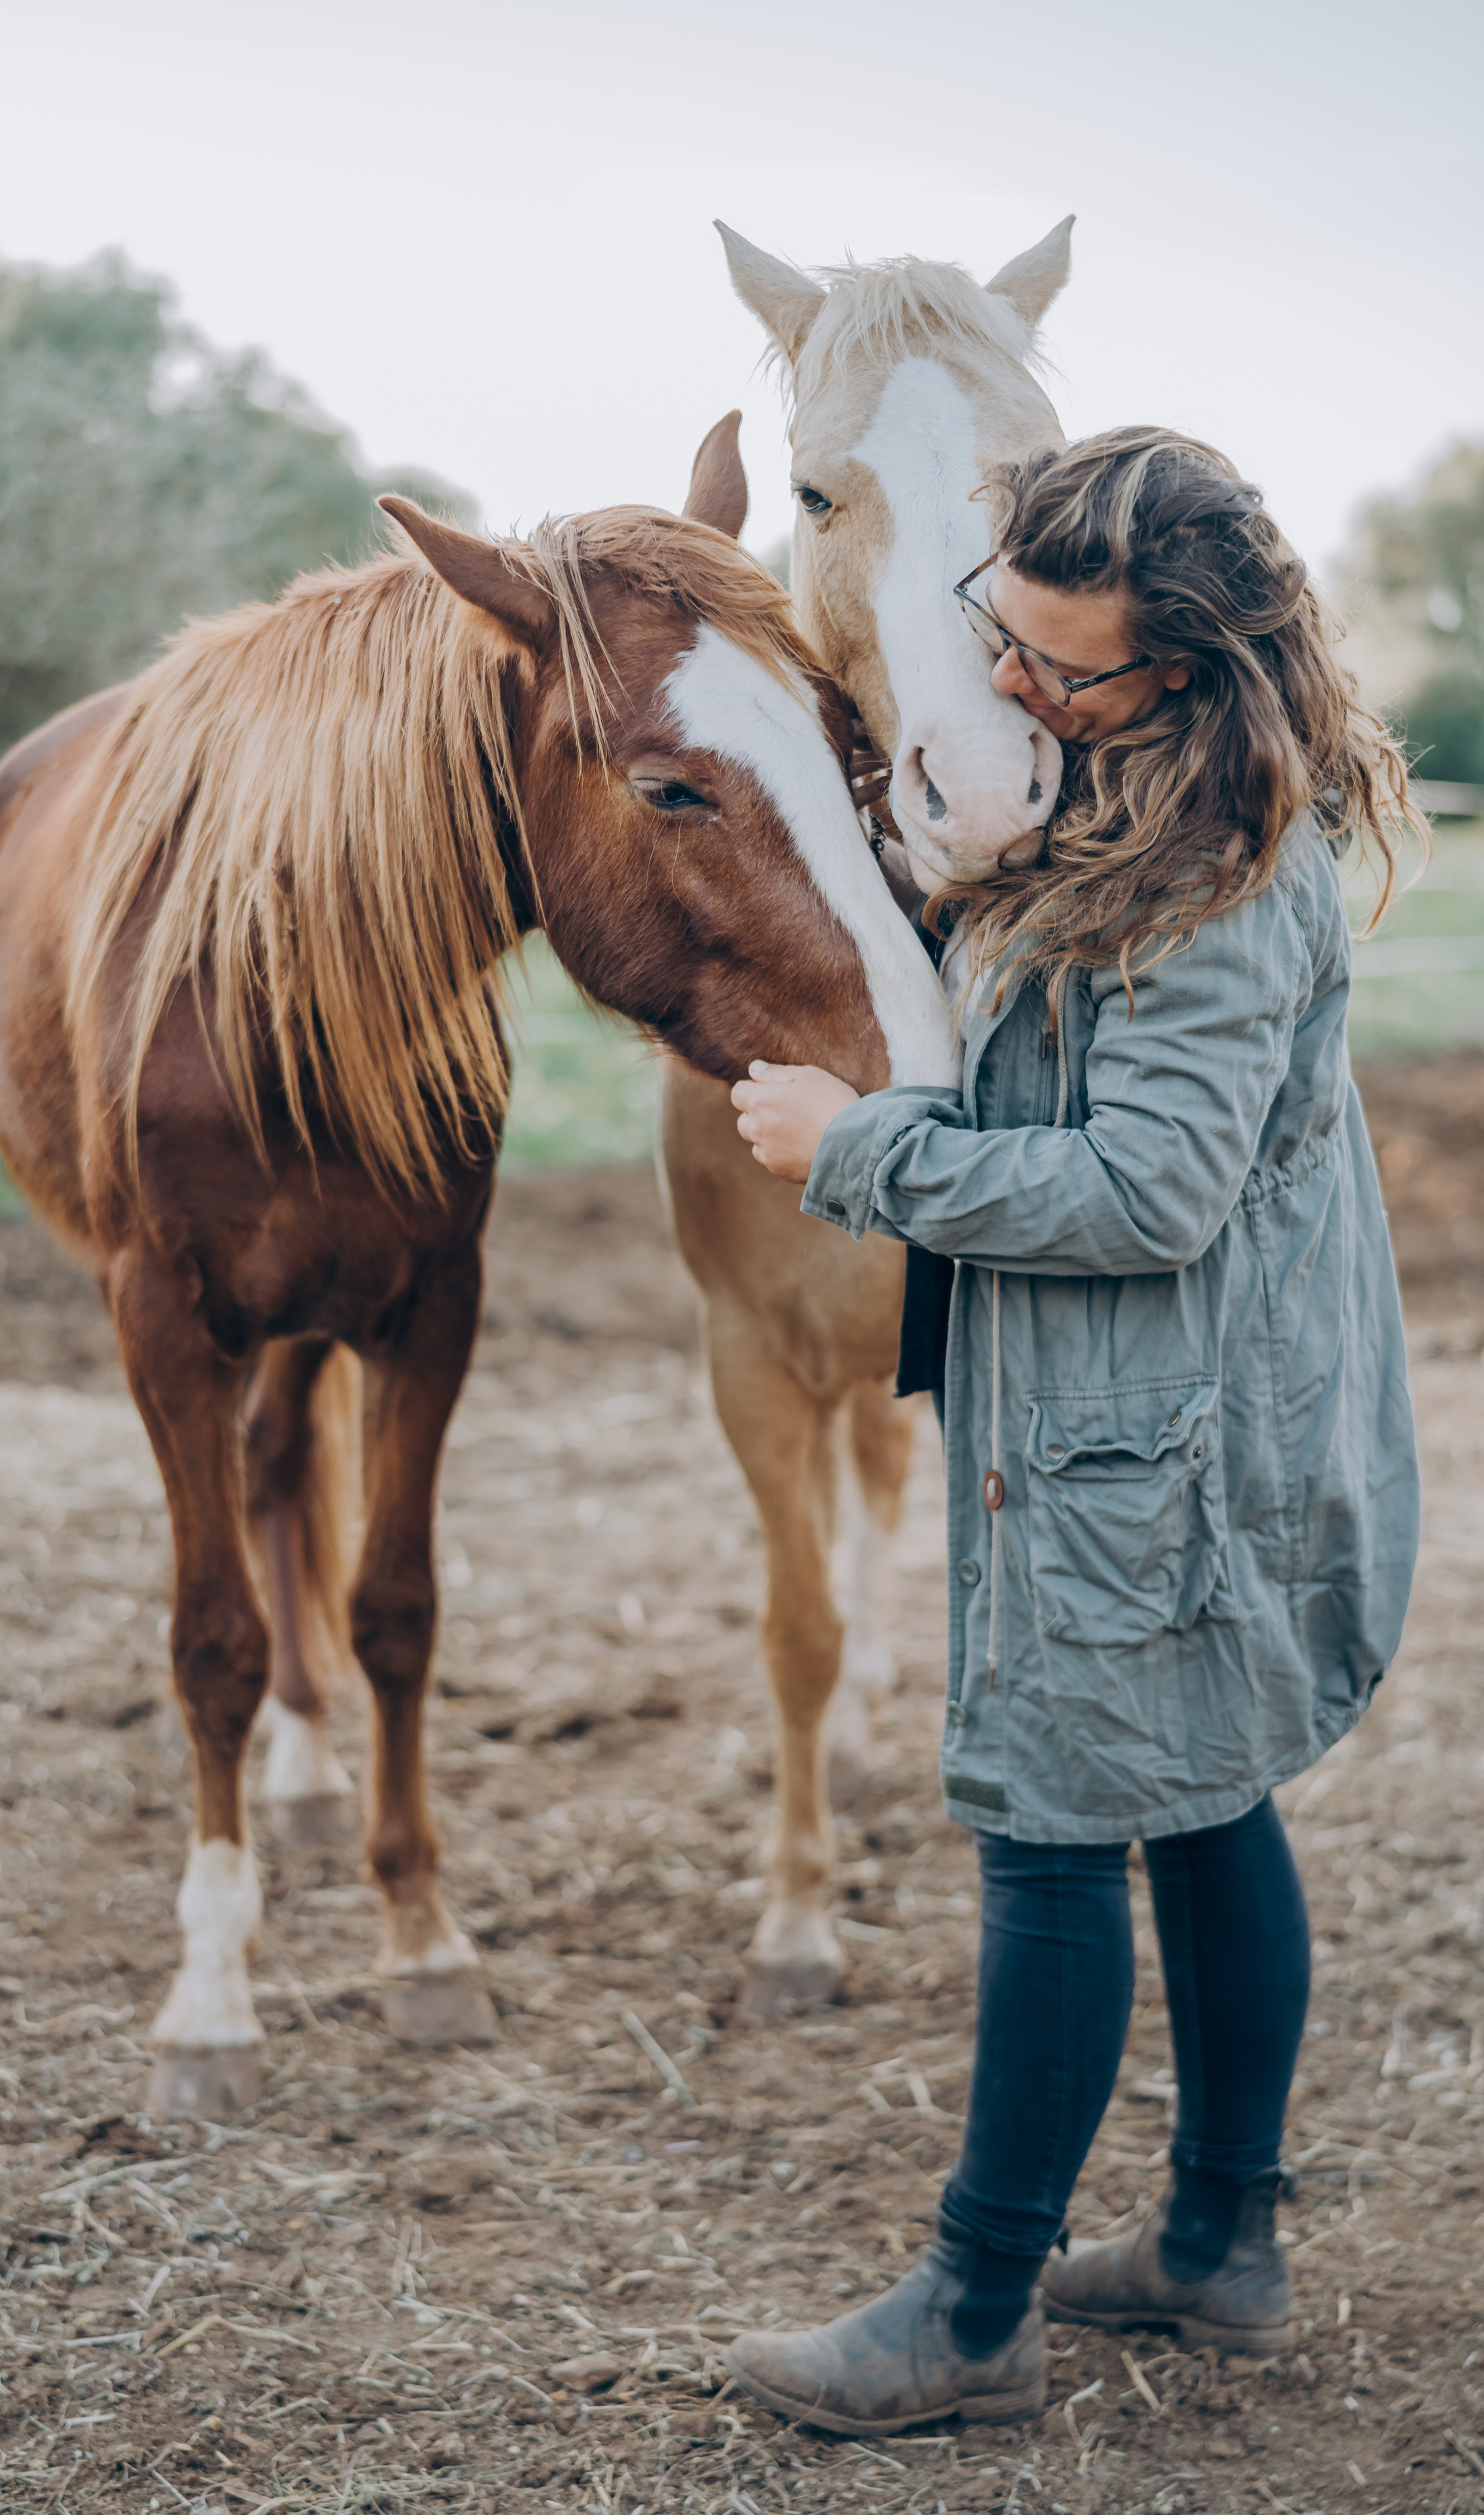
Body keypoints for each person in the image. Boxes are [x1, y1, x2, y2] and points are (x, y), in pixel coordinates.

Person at [721, 426, 1423, 2436]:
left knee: (1051, 1839)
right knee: (1205, 1802)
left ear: (1192, 669)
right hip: (1142, 1423)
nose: (1012, 686)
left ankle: (974, 2304)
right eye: (997, 635)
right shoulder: (1132, 804)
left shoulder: (1223, 875)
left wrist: (862, 1153)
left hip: (1155, 1453)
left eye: (1063, 668)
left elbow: (1142, 1195)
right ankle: (1218, 2248)